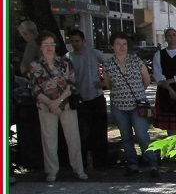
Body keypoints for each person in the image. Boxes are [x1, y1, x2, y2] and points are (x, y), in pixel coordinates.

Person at [28, 31, 87, 182]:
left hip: (65, 104)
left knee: (73, 137)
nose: (49, 47)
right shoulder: (35, 66)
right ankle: (52, 171)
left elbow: (72, 84)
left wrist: (59, 102)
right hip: (45, 106)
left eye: (51, 44)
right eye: (45, 44)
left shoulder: (65, 62)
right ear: (40, 47)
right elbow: (35, 89)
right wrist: (50, 103)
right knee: (49, 139)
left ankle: (79, 169)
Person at [101, 32, 158, 178]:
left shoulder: (136, 61)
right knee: (126, 137)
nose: (122, 47)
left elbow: (146, 81)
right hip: (119, 106)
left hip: (137, 105)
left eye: (124, 44)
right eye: (118, 44)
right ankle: (132, 164)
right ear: (113, 46)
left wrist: (138, 95)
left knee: (142, 135)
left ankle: (152, 164)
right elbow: (108, 84)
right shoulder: (108, 65)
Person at [68, 29, 110, 170]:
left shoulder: (94, 53)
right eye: (72, 41)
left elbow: (111, 65)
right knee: (83, 133)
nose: (75, 44)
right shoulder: (68, 57)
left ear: (84, 41)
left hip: (96, 98)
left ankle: (102, 163)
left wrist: (104, 82)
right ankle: (83, 163)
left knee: (99, 132)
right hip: (79, 100)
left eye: (77, 41)